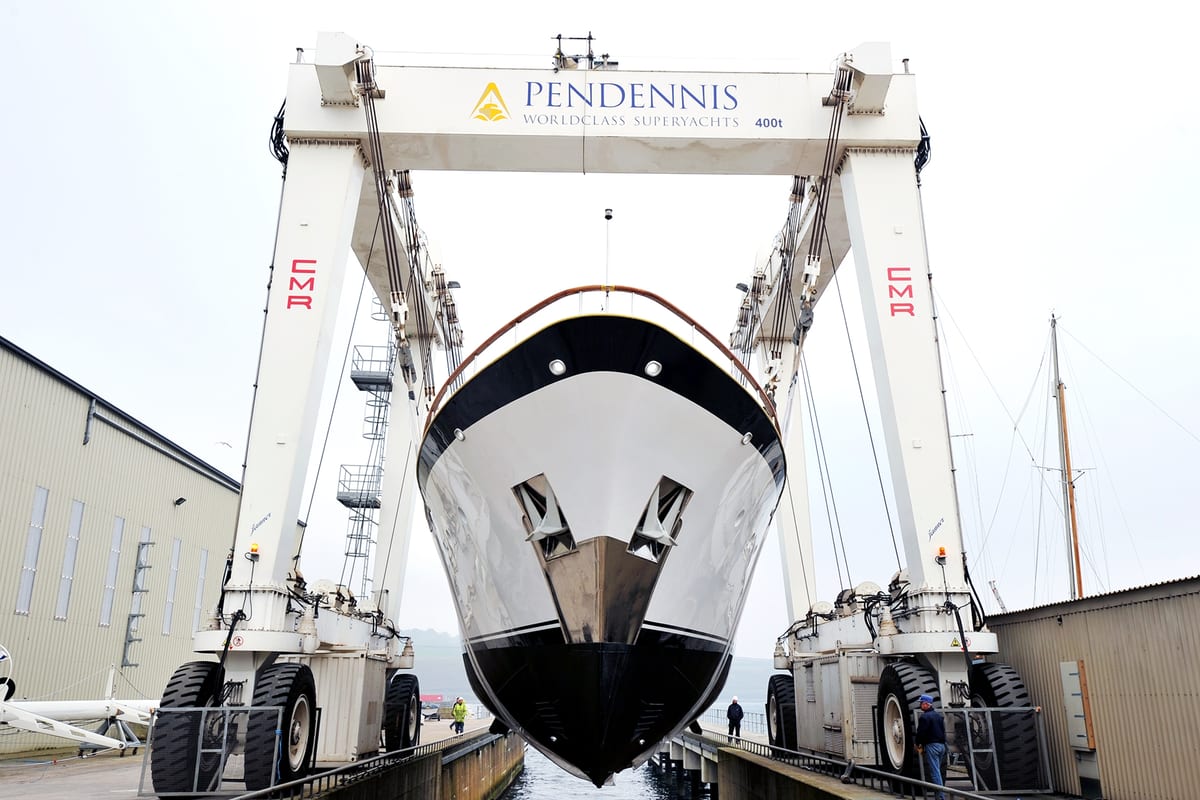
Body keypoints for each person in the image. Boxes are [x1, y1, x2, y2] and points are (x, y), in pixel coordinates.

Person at [914, 693, 946, 800]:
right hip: (942, 746)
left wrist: (917, 743)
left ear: (927, 704)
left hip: (932, 746)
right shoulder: (939, 716)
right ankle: (940, 795)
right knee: (937, 771)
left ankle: (940, 797)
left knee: (935, 772)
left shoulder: (925, 717)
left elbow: (921, 733)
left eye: (921, 703)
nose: (920, 705)